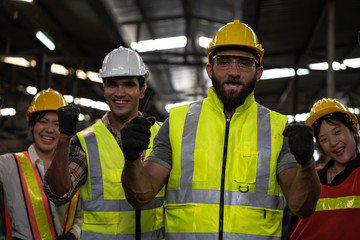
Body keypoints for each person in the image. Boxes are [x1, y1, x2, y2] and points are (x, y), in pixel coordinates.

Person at [120, 20, 321, 239]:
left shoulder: (278, 128)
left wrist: (307, 164)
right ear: (209, 69)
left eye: (244, 63)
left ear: (258, 72)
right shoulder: (177, 122)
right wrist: (131, 160)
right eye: (224, 62)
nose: (234, 71)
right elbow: (141, 195)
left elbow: (302, 207)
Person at [43, 47, 165, 239]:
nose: (119, 92)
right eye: (112, 84)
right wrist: (64, 140)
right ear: (104, 89)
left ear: (142, 90)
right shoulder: (85, 141)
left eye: (128, 85)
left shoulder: (162, 135)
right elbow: (59, 194)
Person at [0, 88, 82, 239]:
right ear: (31, 125)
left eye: (57, 124)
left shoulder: (75, 168)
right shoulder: (9, 164)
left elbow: (82, 215)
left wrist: (74, 233)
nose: (50, 130)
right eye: (43, 122)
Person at [290, 98, 360, 240]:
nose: (333, 143)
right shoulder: (310, 177)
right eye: (324, 139)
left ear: (353, 130)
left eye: (337, 132)